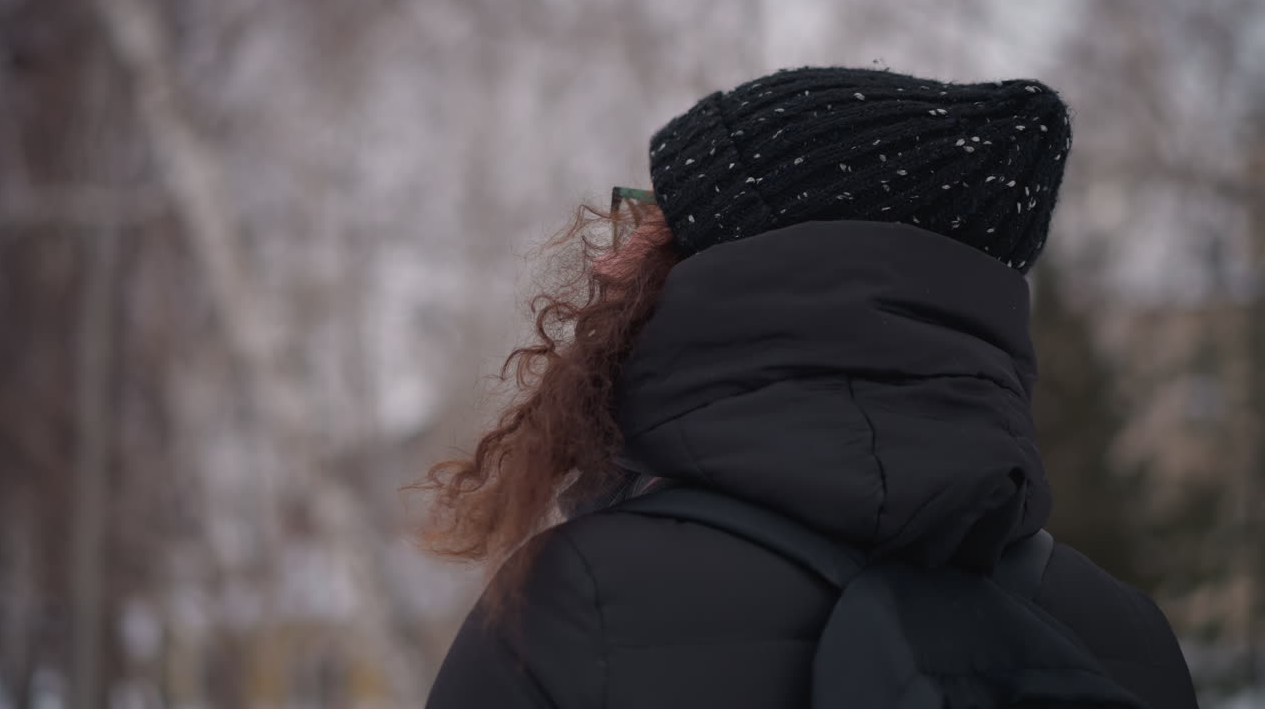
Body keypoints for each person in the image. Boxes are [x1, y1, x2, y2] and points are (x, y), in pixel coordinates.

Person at [417, 67, 1199, 708]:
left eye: (649, 223)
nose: (604, 264)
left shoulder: (569, 608)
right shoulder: (1123, 632)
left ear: (736, 271)